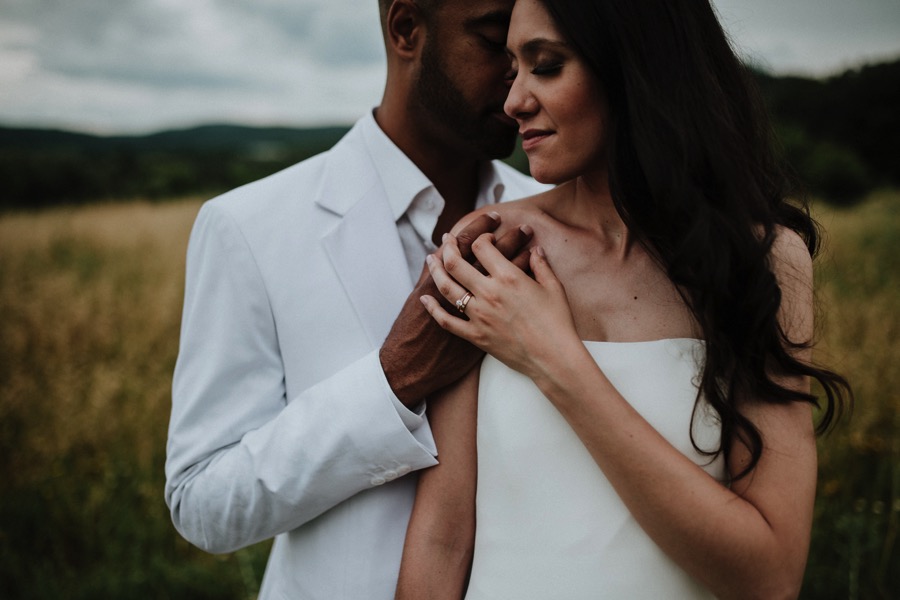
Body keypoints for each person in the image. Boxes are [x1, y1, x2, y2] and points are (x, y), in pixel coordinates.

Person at [395, 0, 852, 598]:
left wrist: (552, 358)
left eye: (546, 66)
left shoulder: (761, 261)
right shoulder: (492, 247)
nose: (514, 102)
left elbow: (770, 576)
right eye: (513, 69)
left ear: (636, 67)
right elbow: (442, 536)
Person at [164, 0, 549, 597]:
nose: (518, 74)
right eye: (496, 38)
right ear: (406, 29)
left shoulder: (557, 224)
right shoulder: (248, 227)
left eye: (534, 48)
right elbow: (201, 503)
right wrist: (392, 382)